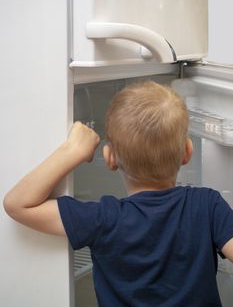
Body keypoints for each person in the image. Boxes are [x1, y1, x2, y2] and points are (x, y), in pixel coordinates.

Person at [3, 81, 233, 307]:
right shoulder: (208, 205)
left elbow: (18, 204)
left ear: (110, 158)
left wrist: (73, 151)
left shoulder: (103, 219)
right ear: (187, 151)